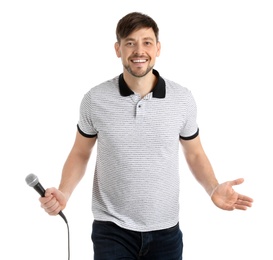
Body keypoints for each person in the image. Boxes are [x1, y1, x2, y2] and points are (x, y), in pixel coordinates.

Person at [39, 12, 253, 259]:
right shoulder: (95, 99)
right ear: (118, 49)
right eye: (130, 42)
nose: (139, 50)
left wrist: (213, 187)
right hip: (111, 229)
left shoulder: (182, 99)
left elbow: (194, 153)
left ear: (158, 48)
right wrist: (64, 192)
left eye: (147, 42)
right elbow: (80, 152)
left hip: (166, 231)